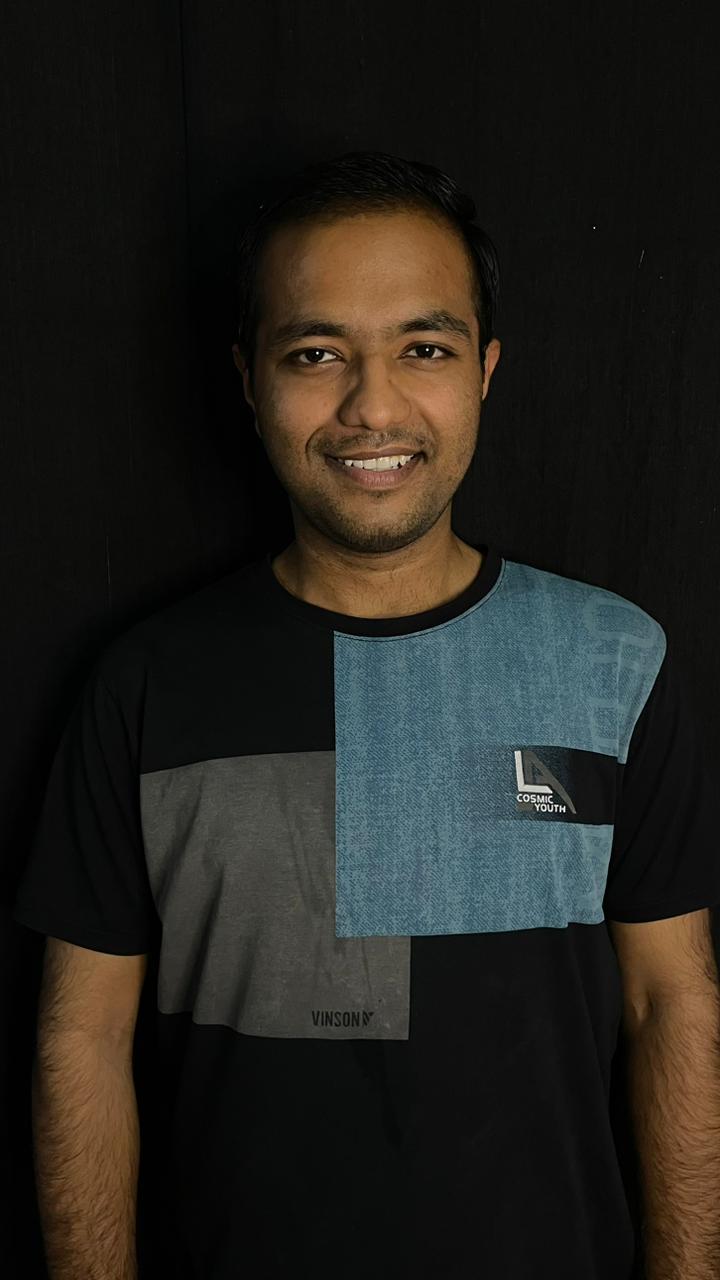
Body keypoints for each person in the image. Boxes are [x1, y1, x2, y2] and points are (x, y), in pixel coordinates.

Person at [13, 150, 720, 1280]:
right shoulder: (144, 683)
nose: (373, 405)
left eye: (423, 348)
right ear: (250, 378)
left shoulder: (615, 660)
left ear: (486, 370)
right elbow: (82, 1038)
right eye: (316, 353)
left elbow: (669, 1005)